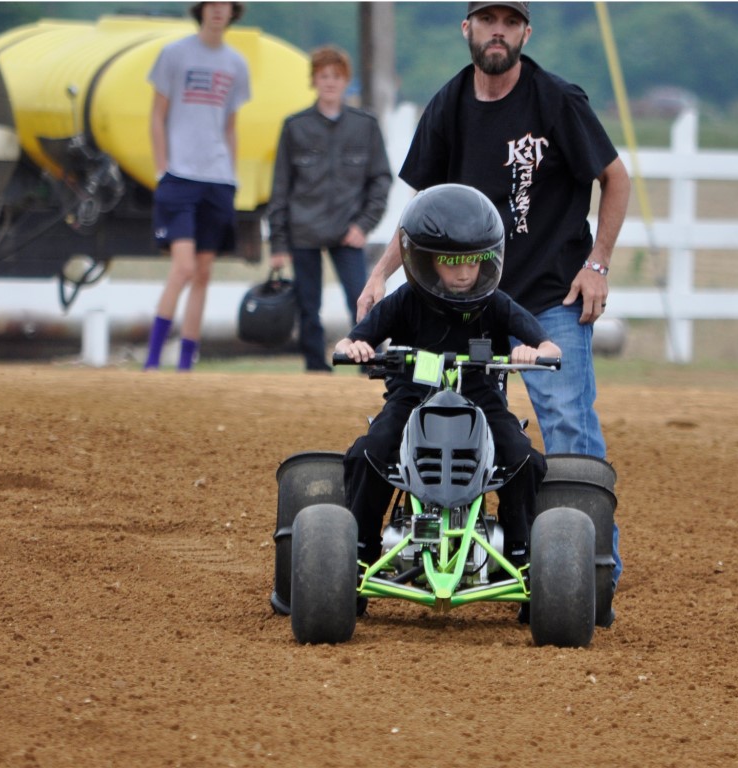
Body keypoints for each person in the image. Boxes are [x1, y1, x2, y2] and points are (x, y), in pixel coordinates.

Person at [354, 1, 630, 623]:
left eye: (509, 21)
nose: (497, 32)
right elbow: (420, 215)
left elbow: (615, 178)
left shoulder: (557, 100)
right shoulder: (448, 106)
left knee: (565, 424)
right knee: (446, 413)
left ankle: (590, 574)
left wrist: (599, 264)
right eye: (487, 20)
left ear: (526, 33)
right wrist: (378, 277)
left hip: (550, 296)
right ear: (468, 30)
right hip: (468, 301)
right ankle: (449, 540)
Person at [337, 184, 560, 609]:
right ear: (424, 260)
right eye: (451, 262)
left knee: (522, 458)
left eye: (472, 262)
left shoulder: (495, 303)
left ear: (487, 259)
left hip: (480, 398)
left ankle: (523, 554)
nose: (463, 273)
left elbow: (550, 347)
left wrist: (533, 351)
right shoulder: (404, 300)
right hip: (411, 399)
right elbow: (351, 342)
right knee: (369, 451)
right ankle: (359, 552)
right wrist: (358, 348)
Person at [267, 45, 392, 372]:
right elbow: (280, 187)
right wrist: (278, 244)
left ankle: (371, 364)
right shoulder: (295, 127)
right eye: (323, 76)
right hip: (303, 230)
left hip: (347, 230)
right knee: (309, 306)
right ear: (314, 80)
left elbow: (381, 179)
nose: (330, 82)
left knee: (362, 299)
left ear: (346, 80)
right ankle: (314, 369)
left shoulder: (365, 126)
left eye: (336, 76)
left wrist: (363, 225)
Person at [143, 1, 250, 371]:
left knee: (204, 272)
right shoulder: (174, 54)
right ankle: (153, 360)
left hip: (218, 179)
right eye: (212, 3)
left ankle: (186, 363)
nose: (219, 10)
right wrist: (162, 168)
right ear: (200, 9)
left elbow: (230, 125)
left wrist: (231, 174)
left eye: (227, 5)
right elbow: (157, 116)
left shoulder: (237, 64)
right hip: (179, 176)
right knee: (183, 267)